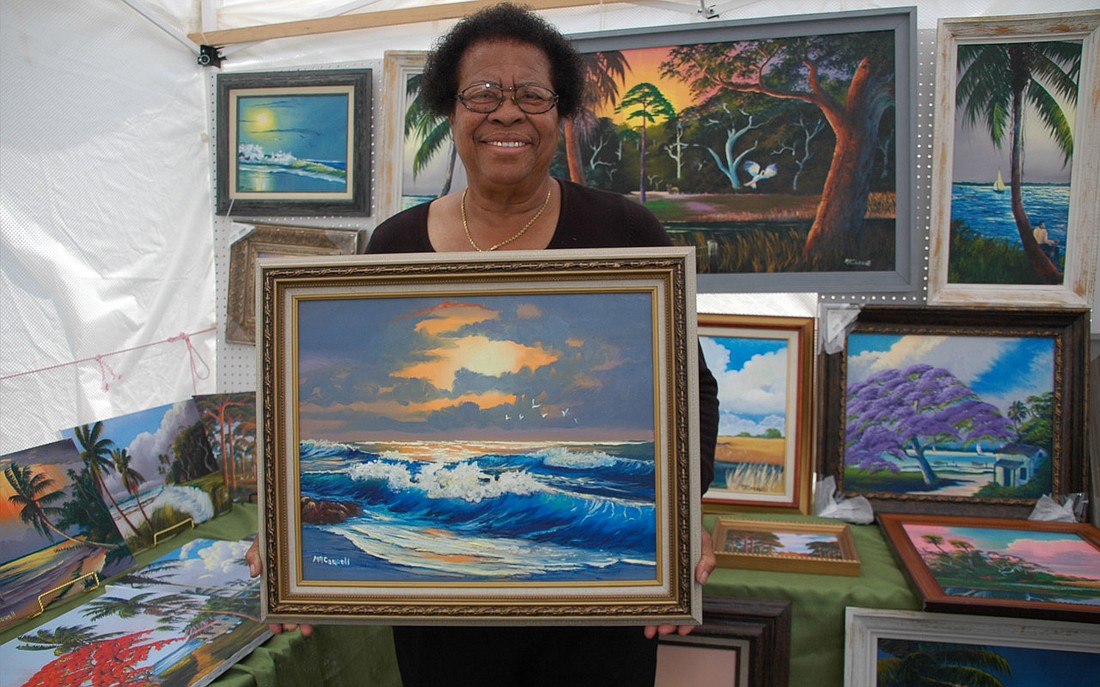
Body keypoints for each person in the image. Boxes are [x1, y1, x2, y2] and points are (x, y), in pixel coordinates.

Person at [248, 4, 719, 685]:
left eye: (532, 94)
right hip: (435, 597)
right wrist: (286, 523)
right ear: (451, 110)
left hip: (599, 605)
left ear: (561, 112)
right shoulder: (394, 244)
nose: (507, 112)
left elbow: (691, 390)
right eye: (482, 94)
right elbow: (315, 404)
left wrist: (683, 515)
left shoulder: (627, 231)